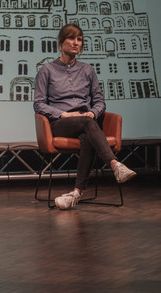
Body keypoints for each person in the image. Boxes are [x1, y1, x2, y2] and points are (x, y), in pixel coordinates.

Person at [33, 23, 136, 209]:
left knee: (88, 133)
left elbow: (99, 101)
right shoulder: (46, 70)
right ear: (61, 42)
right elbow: (39, 104)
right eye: (72, 38)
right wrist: (63, 114)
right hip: (60, 123)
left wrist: (93, 111)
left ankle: (76, 194)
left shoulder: (87, 70)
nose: (76, 43)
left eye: (79, 39)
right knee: (88, 124)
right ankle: (115, 165)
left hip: (86, 121)